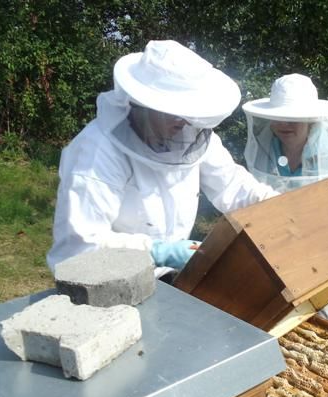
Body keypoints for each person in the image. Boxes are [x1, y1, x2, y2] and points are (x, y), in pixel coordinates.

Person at [47, 40, 278, 279]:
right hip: (107, 281)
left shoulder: (192, 137)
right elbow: (79, 247)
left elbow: (233, 186)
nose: (184, 121)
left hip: (168, 276)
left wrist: (279, 205)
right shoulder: (96, 152)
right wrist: (157, 252)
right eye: (174, 111)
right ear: (143, 104)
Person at [242, 74, 328, 323]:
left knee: (320, 323)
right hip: (277, 243)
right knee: (275, 318)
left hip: (326, 247)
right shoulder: (265, 147)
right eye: (280, 116)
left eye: (294, 118)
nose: (285, 124)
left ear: (310, 118)